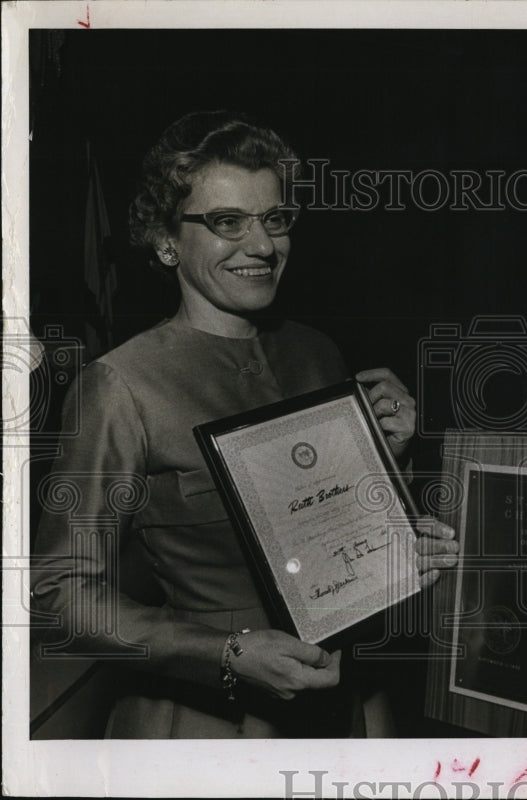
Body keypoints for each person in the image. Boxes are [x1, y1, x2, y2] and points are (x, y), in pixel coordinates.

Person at [30, 111, 457, 739]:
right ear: (166, 239)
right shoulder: (121, 384)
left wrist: (397, 471)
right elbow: (59, 592)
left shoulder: (317, 352)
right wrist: (225, 652)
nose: (261, 246)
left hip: (348, 705)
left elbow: (330, 535)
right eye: (227, 222)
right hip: (209, 726)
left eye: (275, 219)